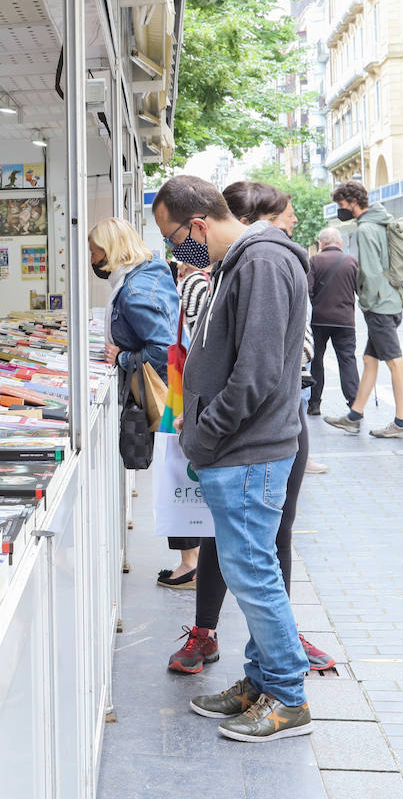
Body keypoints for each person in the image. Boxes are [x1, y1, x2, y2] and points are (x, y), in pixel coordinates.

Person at [153, 175, 313, 742]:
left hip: (245, 449)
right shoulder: (243, 261)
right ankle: (262, 680)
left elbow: (260, 372)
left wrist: (205, 436)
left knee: (253, 573)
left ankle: (288, 698)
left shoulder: (262, 261)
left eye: (173, 237)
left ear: (197, 224)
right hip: (236, 448)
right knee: (251, 569)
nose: (175, 251)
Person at [88, 217, 194, 587]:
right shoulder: (148, 273)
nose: (92, 257)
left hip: (161, 394)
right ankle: (190, 559)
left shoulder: (132, 291)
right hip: (174, 388)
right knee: (175, 469)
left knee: (171, 470)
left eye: (94, 250)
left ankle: (189, 563)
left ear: (111, 249)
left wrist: (120, 357)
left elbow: (159, 347)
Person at [325, 181, 403, 438]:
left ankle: (402, 423)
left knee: (394, 362)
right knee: (369, 360)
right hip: (390, 299)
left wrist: (365, 302)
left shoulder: (366, 228)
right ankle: (354, 415)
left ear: (352, 202)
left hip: (380, 306)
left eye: (342, 205)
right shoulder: (381, 221)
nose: (341, 210)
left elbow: (371, 271)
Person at [307, 227, 359, 416]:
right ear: (340, 243)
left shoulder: (314, 261)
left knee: (316, 361)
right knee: (347, 360)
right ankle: (354, 403)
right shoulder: (351, 262)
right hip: (345, 321)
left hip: (319, 320)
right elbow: (361, 290)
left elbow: (308, 289)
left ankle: (314, 404)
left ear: (321, 243)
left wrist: (318, 304)